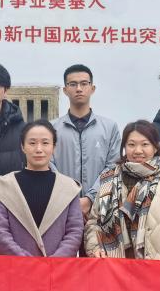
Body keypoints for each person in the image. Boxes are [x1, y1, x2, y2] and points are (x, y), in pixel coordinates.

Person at [85, 120, 160, 260]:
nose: (138, 150)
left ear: (156, 147)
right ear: (124, 147)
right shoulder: (109, 179)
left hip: (155, 267)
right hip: (113, 266)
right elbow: (93, 223)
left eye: (145, 144)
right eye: (131, 144)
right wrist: (95, 249)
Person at [0, 120, 83, 257]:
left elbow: (75, 231)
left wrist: (54, 262)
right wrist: (27, 262)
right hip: (16, 266)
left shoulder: (68, 188)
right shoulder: (5, 185)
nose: (39, 149)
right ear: (23, 146)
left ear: (54, 147)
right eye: (32, 143)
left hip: (58, 268)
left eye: (45, 143)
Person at [52, 64, 121, 221]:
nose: (79, 89)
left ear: (92, 88)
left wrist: (90, 198)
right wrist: (71, 199)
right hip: (61, 207)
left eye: (84, 83)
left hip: (101, 207)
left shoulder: (109, 127)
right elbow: (49, 166)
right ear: (65, 90)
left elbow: (113, 167)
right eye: (73, 84)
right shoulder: (52, 128)